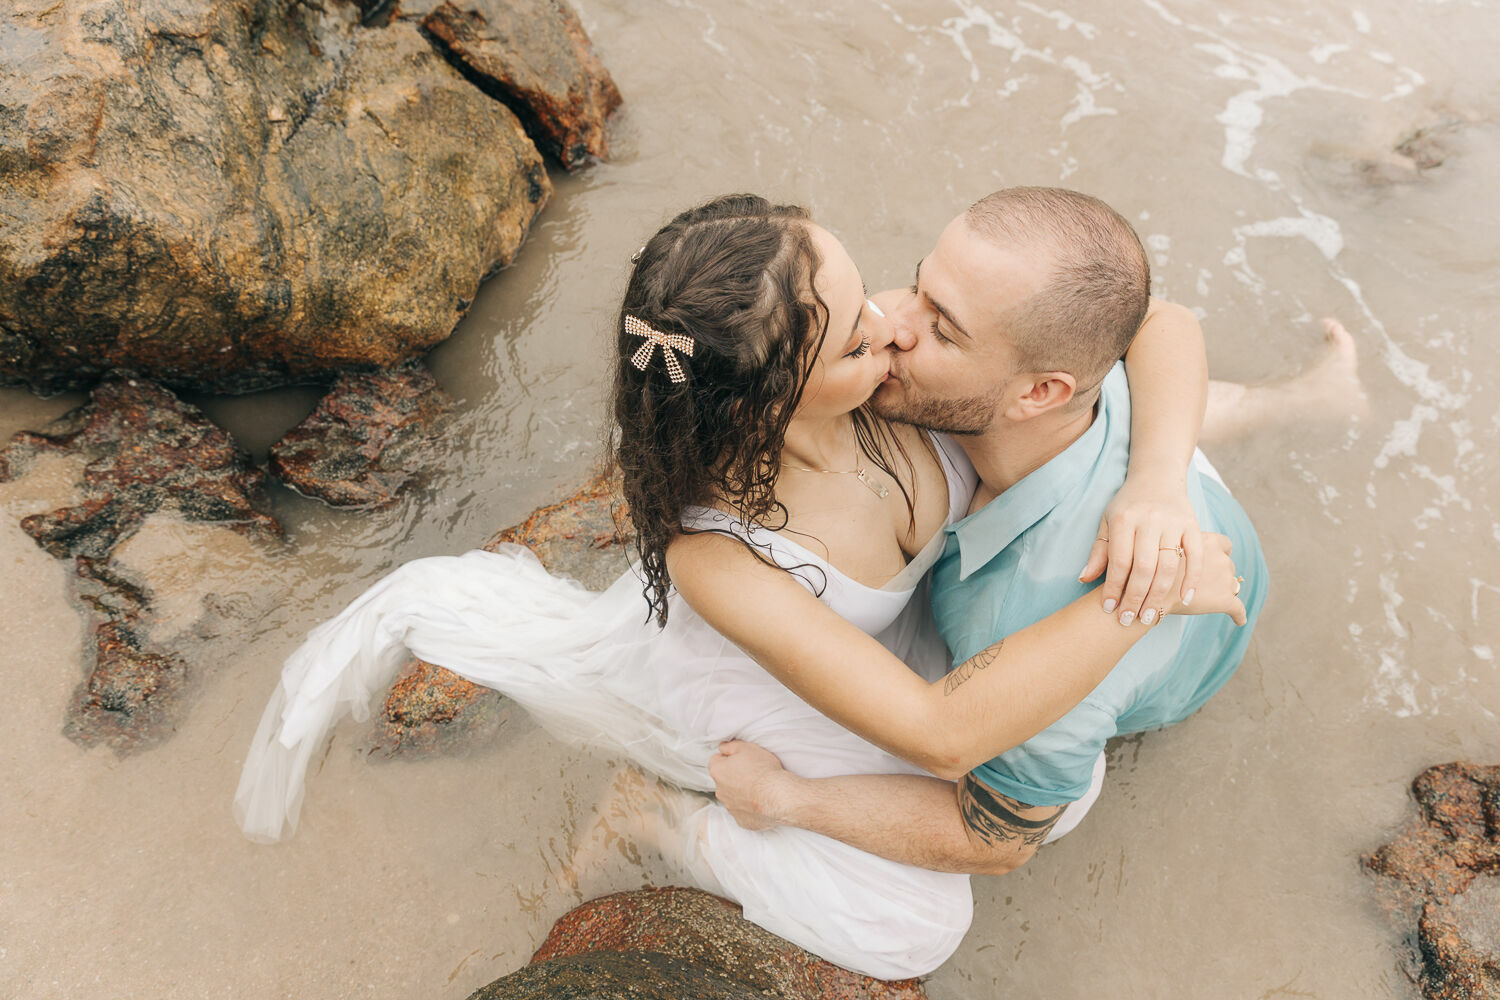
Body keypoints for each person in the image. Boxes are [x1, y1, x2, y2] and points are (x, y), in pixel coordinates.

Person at [234, 194, 1250, 979]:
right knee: (915, 924)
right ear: (780, 407)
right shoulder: (721, 558)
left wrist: (1158, 481)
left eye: (881, 294)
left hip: (882, 643)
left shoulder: (894, 382)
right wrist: (1144, 595)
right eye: (861, 332)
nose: (895, 324)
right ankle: (673, 819)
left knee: (1052, 796)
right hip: (768, 672)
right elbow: (939, 731)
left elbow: (1138, 326)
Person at [707, 187, 1340, 881]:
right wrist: (1158, 480)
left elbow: (993, 840)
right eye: (920, 285)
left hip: (1182, 640)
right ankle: (1313, 397)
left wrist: (783, 797)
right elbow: (1159, 319)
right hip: (1161, 474)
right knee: (1137, 396)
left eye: (942, 330)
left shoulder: (1026, 612)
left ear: (1039, 392)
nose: (893, 324)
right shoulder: (1075, 357)